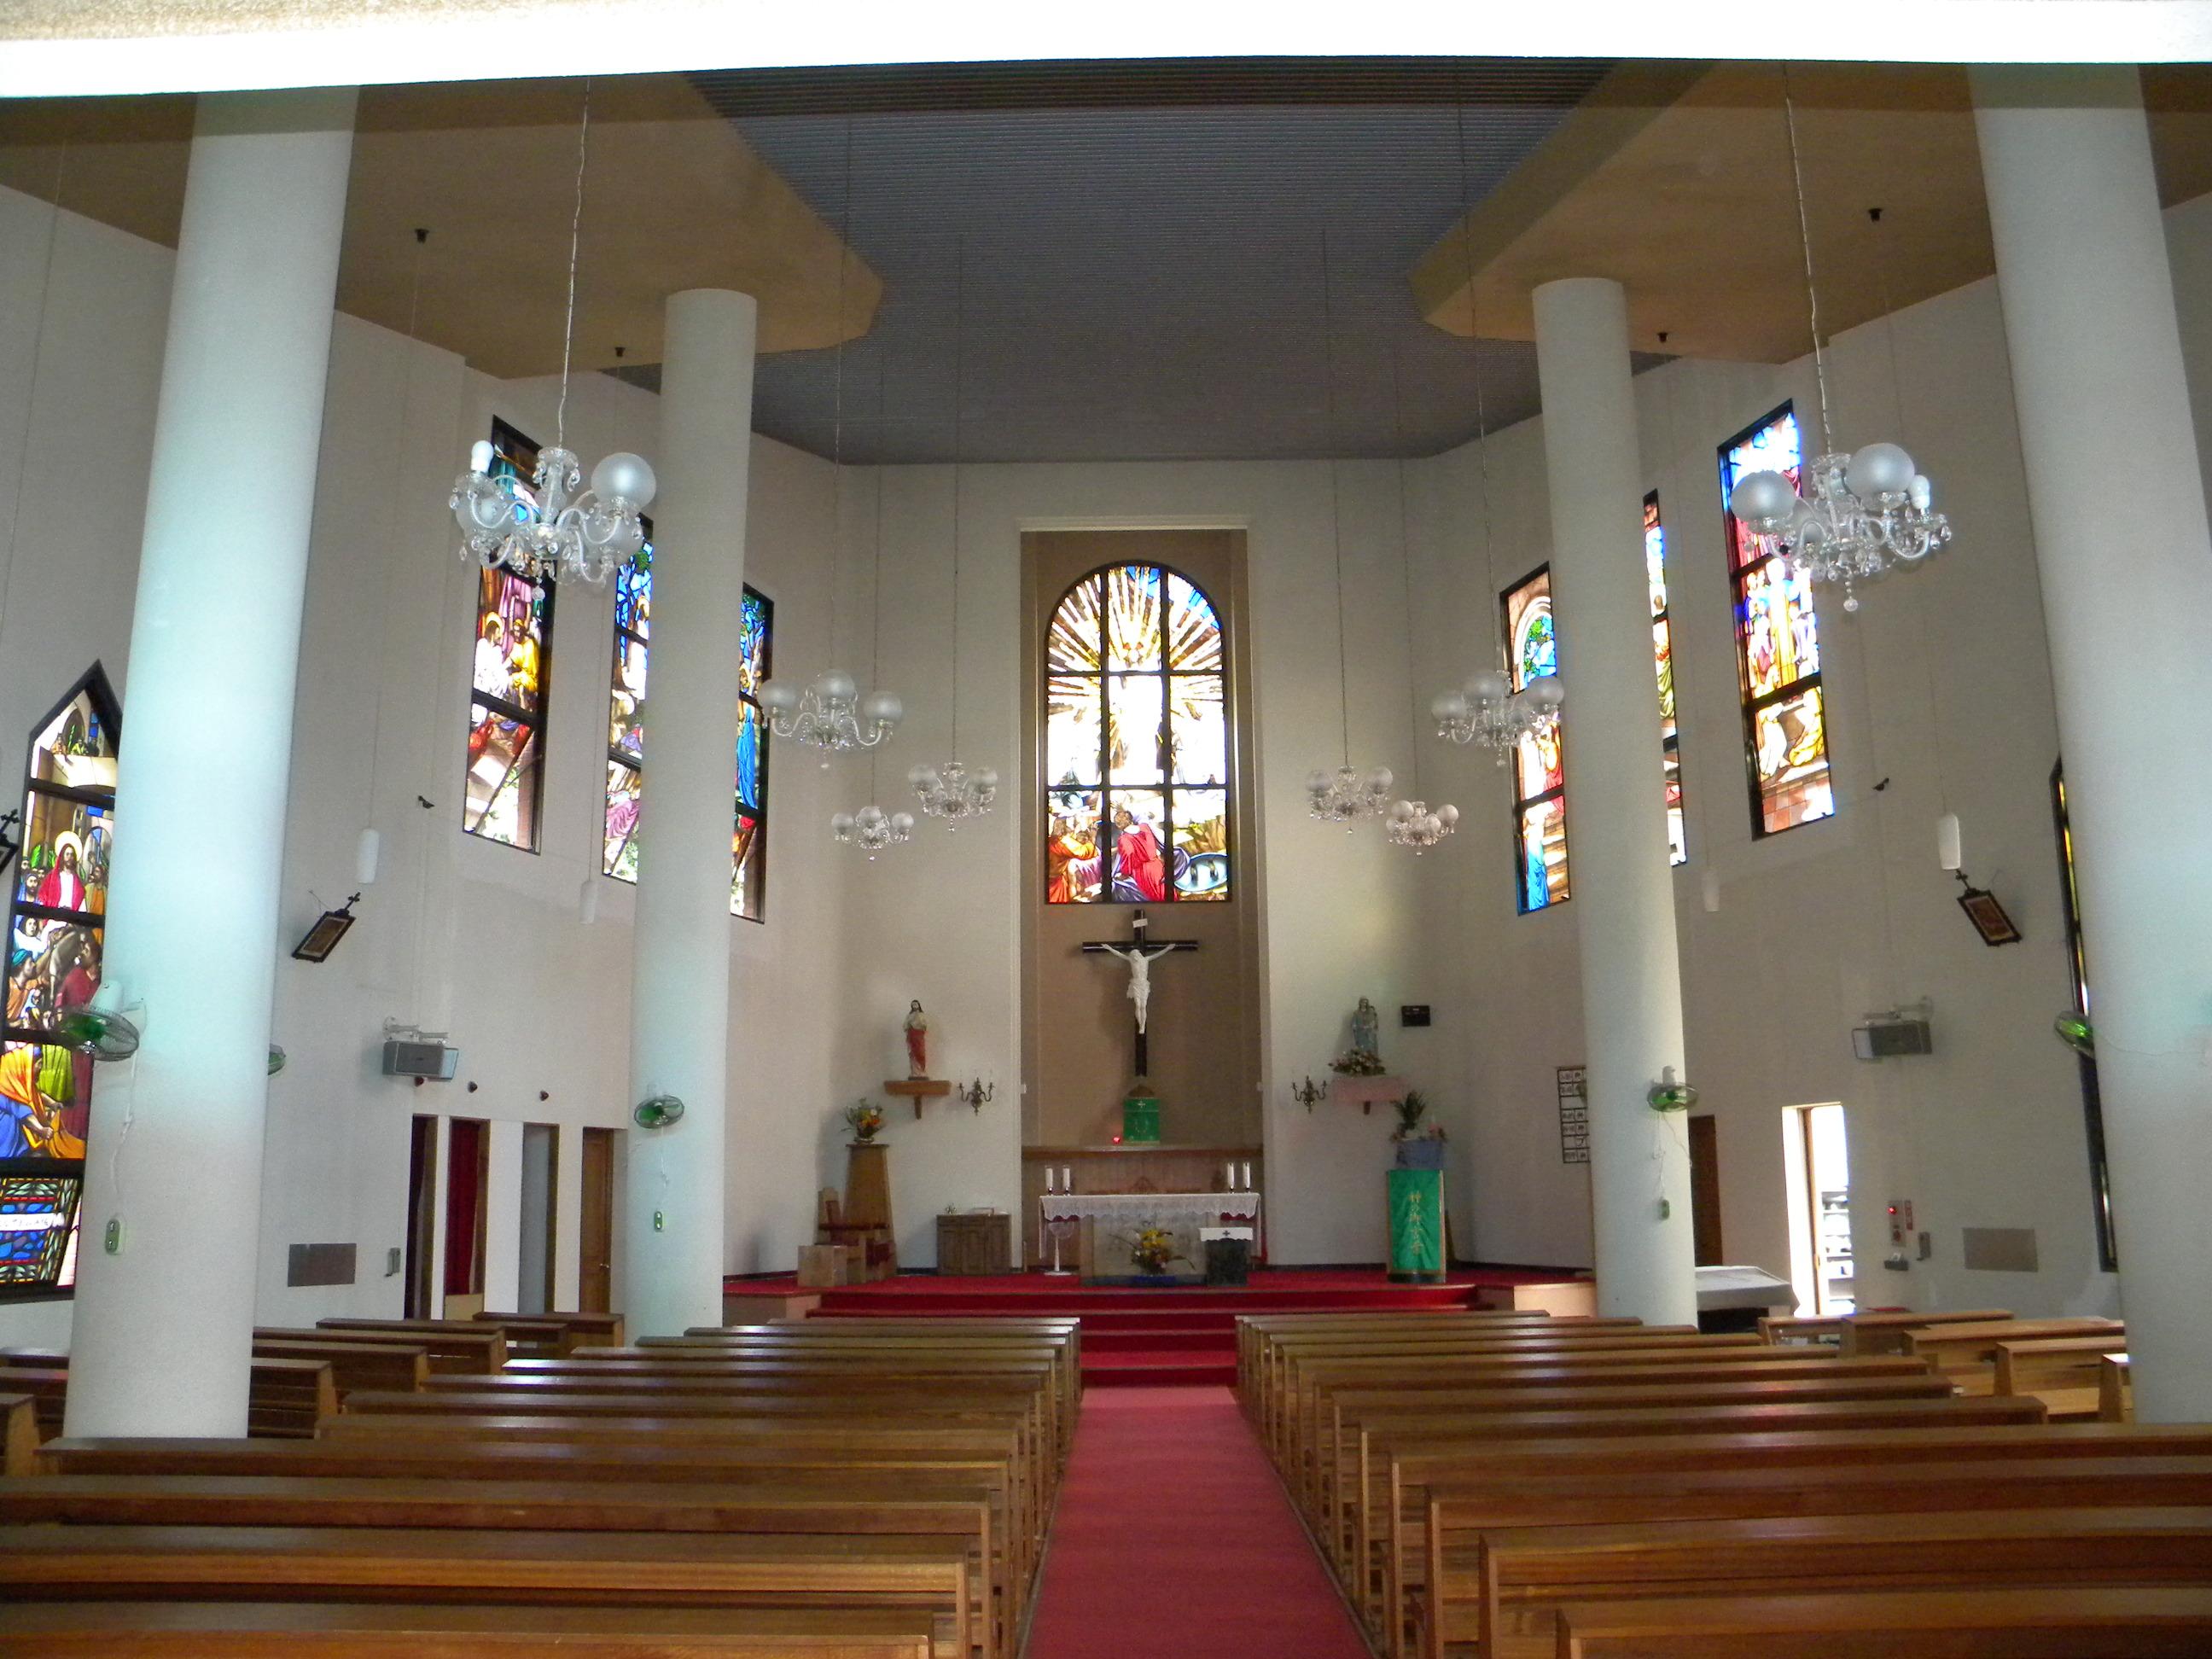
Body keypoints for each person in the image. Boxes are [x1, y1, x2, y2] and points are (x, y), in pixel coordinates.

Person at [1112, 806, 1167, 903]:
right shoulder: (1145, 827)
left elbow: (1128, 857)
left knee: (1154, 898)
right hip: (1158, 866)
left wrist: (1124, 875)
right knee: (1165, 892)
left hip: (1144, 872)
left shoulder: (1124, 839)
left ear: (1118, 826)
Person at [34, 835, 84, 912]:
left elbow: (81, 899)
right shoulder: (52, 877)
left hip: (71, 915)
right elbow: (43, 895)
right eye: (67, 854)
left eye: (72, 855)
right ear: (62, 856)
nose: (69, 857)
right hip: (54, 914)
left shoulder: (77, 881)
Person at [903, 1000, 929, 1079]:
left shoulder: (922, 1015)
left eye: (916, 1004)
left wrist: (919, 1025)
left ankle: (921, 1071)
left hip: (919, 1036)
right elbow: (905, 1026)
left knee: (921, 1052)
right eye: (913, 1004)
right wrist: (910, 1026)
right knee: (912, 1053)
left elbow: (925, 1025)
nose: (914, 1005)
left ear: (919, 1005)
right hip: (912, 1036)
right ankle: (914, 1072)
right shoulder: (909, 1016)